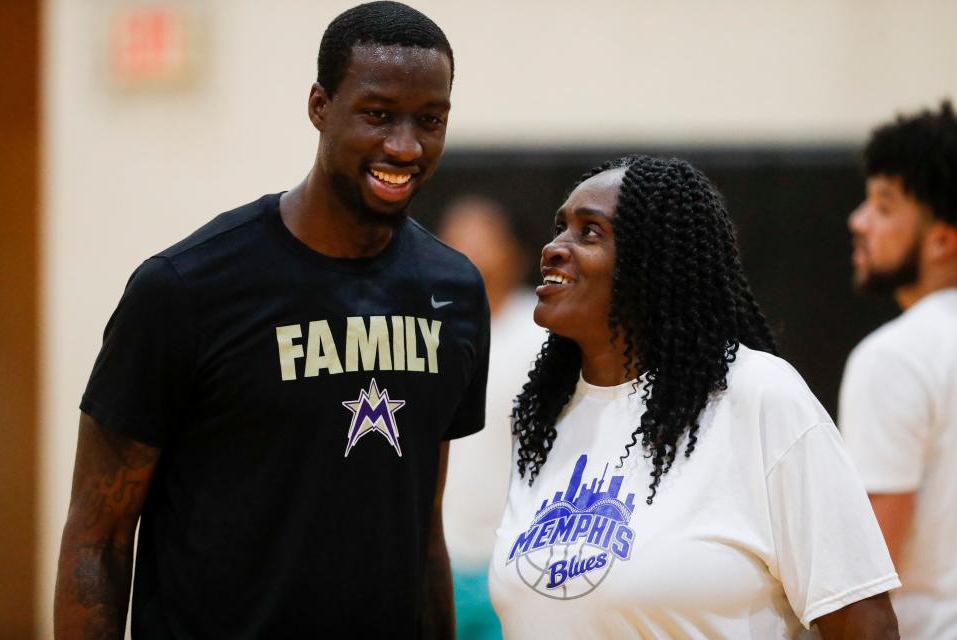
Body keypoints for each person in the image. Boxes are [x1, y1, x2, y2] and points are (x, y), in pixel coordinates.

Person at [53, 3, 490, 638]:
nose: (405, 145)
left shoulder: (454, 290)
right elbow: (99, 539)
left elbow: (424, 534)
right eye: (377, 114)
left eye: (430, 120)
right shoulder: (184, 289)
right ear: (319, 106)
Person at [488, 155, 901, 638]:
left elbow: (866, 625)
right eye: (560, 228)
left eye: (590, 232)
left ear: (653, 262)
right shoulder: (544, 416)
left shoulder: (759, 396)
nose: (554, 248)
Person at [839, 101, 957, 639]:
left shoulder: (895, 357)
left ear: (941, 239)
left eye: (884, 207)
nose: (858, 220)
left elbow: (866, 575)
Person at [437, 197, 547, 640]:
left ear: (514, 252)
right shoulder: (426, 331)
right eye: (457, 237)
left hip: (515, 556)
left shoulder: (542, 332)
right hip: (438, 554)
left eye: (483, 237)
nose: (469, 249)